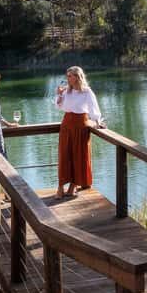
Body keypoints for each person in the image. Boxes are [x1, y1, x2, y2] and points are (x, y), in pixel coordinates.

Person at [54, 66, 103, 198]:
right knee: (64, 155)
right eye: (67, 76)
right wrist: (59, 94)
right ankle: (60, 187)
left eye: (70, 76)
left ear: (77, 77)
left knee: (77, 155)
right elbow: (59, 106)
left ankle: (73, 185)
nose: (67, 78)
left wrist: (97, 122)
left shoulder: (87, 92)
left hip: (80, 125)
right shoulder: (66, 91)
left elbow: (94, 109)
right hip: (66, 125)